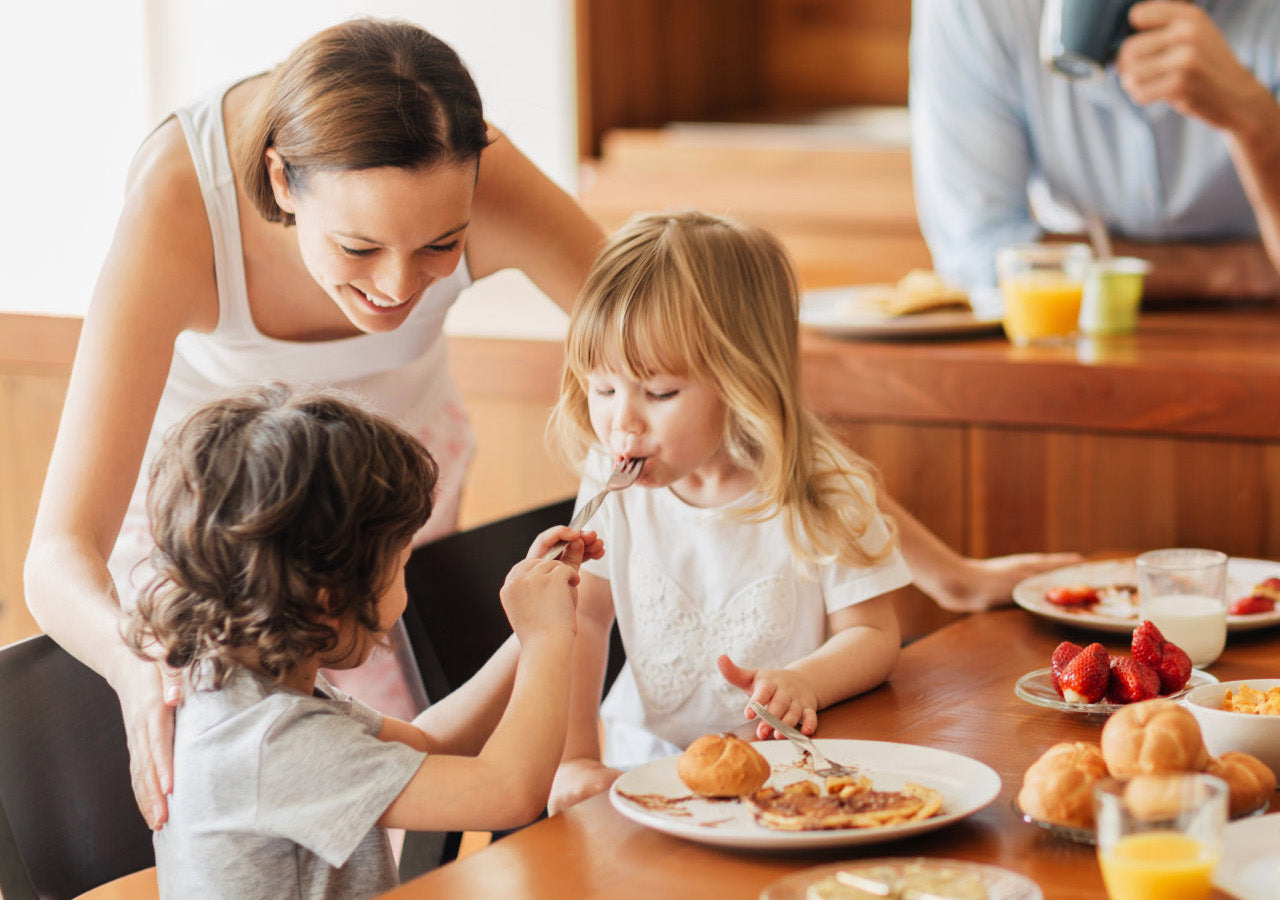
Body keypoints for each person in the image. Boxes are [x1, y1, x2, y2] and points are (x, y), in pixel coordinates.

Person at [22, 16, 1067, 832]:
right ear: (284, 185)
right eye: (357, 251)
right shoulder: (180, 198)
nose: (397, 290)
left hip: (394, 501)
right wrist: (132, 664)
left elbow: (723, 379)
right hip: (223, 532)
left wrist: (946, 572)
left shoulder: (482, 170)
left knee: (387, 781)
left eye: (441, 248)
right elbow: (55, 552)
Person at [123, 384, 601, 899]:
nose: (405, 578)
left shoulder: (246, 686)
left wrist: (529, 636)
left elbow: (428, 743)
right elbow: (510, 791)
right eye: (401, 562)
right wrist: (550, 637)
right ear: (331, 600)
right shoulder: (275, 743)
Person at [544, 210, 909, 813]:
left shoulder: (821, 487)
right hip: (642, 764)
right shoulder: (612, 483)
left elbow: (873, 634)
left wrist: (806, 681)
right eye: (603, 388)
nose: (621, 422)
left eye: (660, 393)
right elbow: (583, 619)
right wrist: (577, 756)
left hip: (782, 770)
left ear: (745, 378)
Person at [910, 0, 1280, 329]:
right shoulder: (973, 9)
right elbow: (977, 257)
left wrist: (1251, 117)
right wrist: (1237, 270)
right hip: (1071, 348)